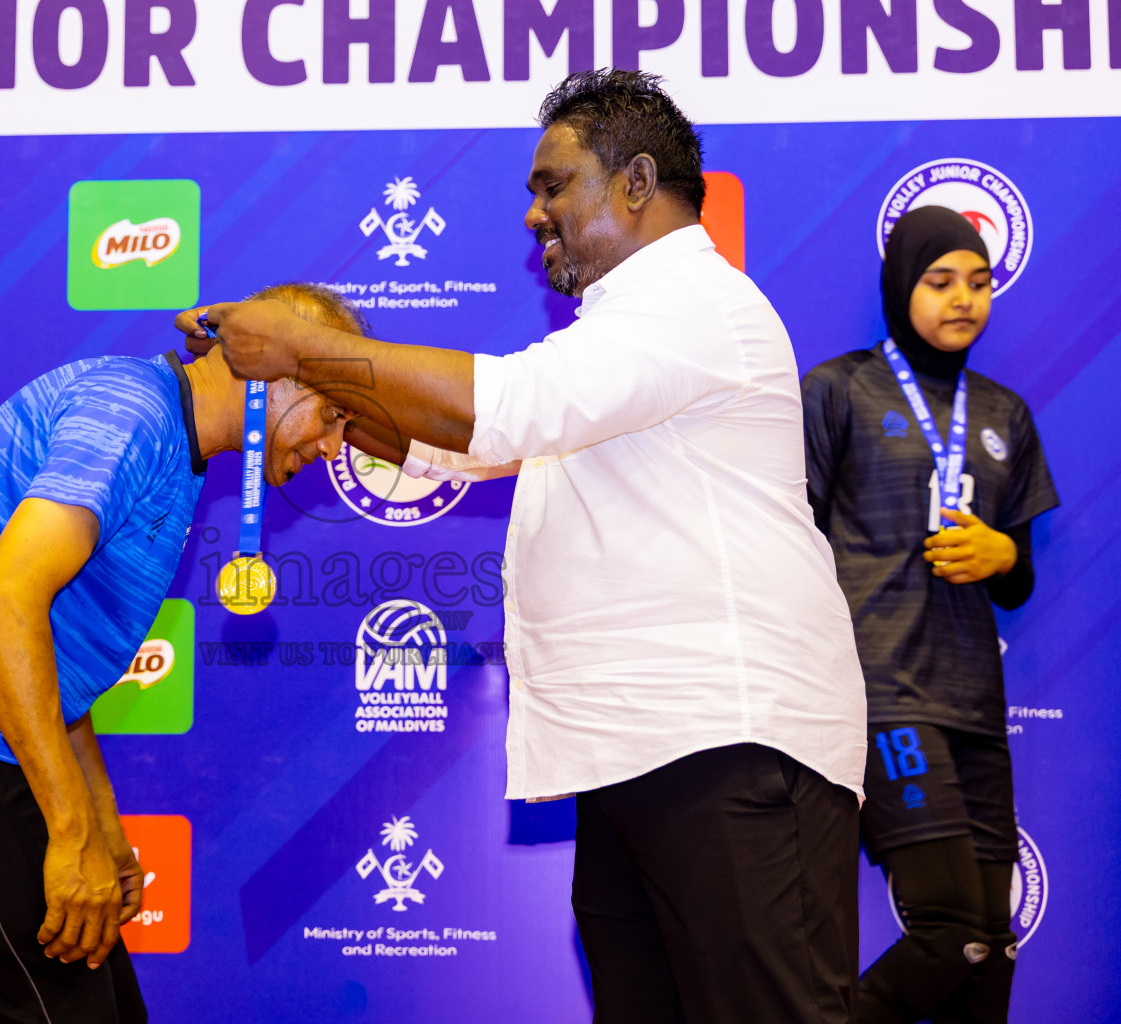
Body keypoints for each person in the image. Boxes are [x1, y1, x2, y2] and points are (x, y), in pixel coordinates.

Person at [180, 70, 866, 1023]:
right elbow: (450, 445)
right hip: (633, 753)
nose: (535, 213)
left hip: (727, 742)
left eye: (553, 185)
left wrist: (302, 348)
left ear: (635, 182)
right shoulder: (617, 336)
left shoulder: (693, 304)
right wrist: (338, 404)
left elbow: (501, 411)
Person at [0, 283, 364, 1024]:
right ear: (272, 368)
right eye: (334, 416)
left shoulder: (175, 447)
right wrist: (71, 833)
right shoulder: (130, 413)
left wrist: (102, 827)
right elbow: (2, 606)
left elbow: (51, 654)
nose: (334, 448)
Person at [802, 205, 1059, 1024]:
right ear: (899, 286)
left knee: (991, 947)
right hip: (884, 694)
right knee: (952, 933)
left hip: (975, 705)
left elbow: (1014, 579)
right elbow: (790, 539)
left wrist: (1004, 554)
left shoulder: (1004, 415)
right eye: (941, 281)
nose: (964, 300)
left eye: (979, 283)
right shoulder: (838, 389)